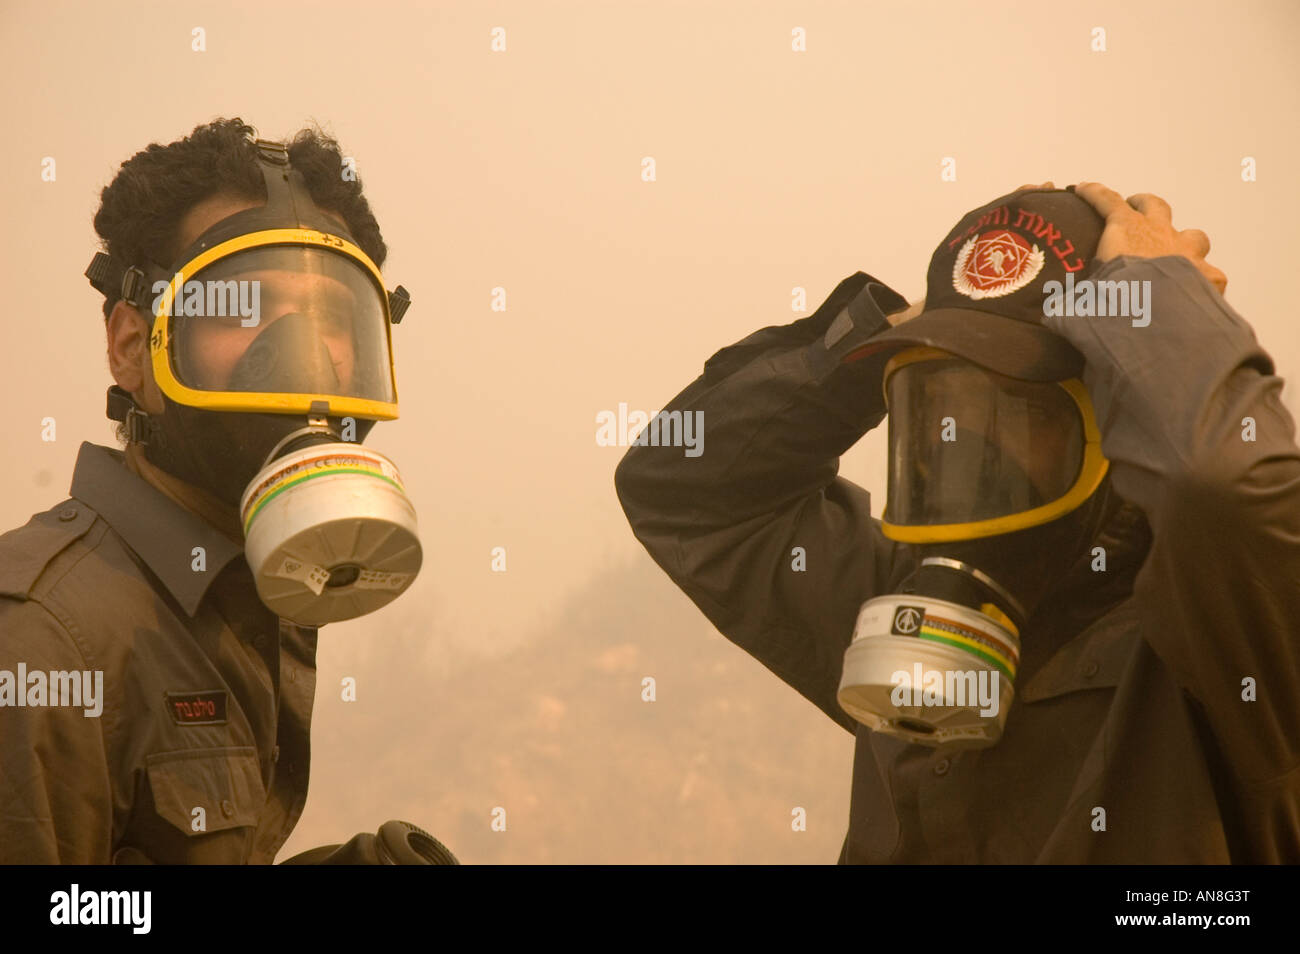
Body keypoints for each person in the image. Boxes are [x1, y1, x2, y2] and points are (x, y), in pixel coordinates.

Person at [615, 182, 1300, 863]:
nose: (967, 443)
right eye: (939, 398)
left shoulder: (1228, 635)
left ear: (1112, 416)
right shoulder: (908, 599)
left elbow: (1221, 485)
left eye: (1014, 411)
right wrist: (887, 338)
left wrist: (1153, 302)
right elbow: (683, 487)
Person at [0, 118, 425, 863]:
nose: (301, 353)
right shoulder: (41, 646)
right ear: (134, 346)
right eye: (242, 308)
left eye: (330, 316)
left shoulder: (234, 593)